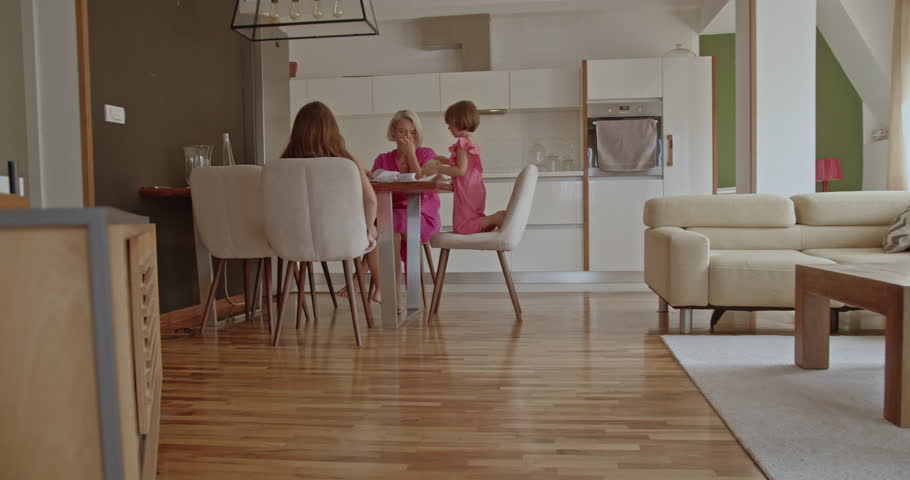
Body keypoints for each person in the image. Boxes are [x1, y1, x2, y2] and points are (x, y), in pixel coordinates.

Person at [339, 110, 441, 305]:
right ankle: (391, 292)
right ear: (393, 132)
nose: (408, 137)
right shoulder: (383, 159)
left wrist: (411, 155)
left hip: (420, 214)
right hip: (390, 214)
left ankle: (363, 279)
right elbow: (375, 191)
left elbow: (423, 183)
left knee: (383, 227)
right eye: (402, 132)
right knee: (384, 228)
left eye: (412, 133)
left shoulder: (426, 154)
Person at [282, 101, 377, 242]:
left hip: (294, 238)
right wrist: (366, 232)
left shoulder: (282, 165)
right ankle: (365, 264)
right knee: (374, 230)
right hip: (339, 236)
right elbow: (370, 201)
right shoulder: (347, 164)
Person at [423, 100, 506, 234]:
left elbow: (460, 171)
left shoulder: (462, 143)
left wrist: (438, 168)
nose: (449, 128)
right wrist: (444, 160)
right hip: (475, 188)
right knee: (473, 218)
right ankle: (489, 222)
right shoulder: (471, 140)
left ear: (457, 122)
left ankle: (494, 218)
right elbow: (465, 165)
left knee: (462, 227)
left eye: (449, 124)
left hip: (467, 190)